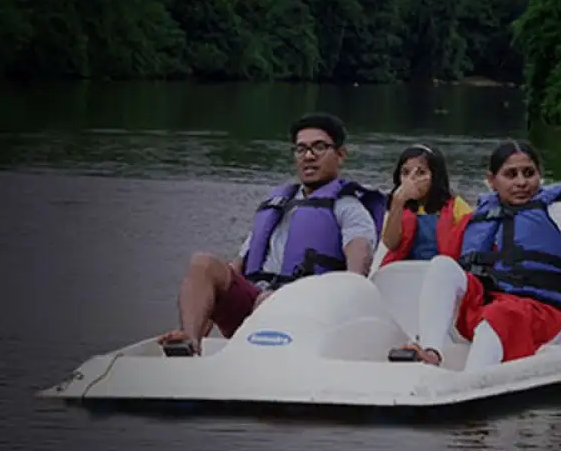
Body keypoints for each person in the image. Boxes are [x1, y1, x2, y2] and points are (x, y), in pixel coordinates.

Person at [156, 113, 387, 356]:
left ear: (340, 155)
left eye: (319, 147)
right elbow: (236, 268)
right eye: (301, 149)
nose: (309, 156)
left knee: (268, 300)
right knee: (203, 264)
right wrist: (208, 316)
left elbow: (356, 273)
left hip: (312, 312)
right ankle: (190, 341)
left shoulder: (349, 208)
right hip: (257, 305)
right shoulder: (277, 204)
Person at [390, 139, 561, 369]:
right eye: (511, 175)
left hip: (545, 317)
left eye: (528, 173)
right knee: (442, 265)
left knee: (497, 316)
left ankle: (471, 386)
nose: (522, 182)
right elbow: (452, 272)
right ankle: (431, 352)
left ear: (540, 175)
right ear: (492, 181)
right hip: (490, 309)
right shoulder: (476, 219)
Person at [377, 144, 473, 268]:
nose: (411, 180)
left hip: (440, 273)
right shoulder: (399, 207)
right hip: (404, 271)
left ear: (435, 176)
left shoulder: (456, 206)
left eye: (421, 173)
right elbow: (391, 243)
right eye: (406, 173)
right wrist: (397, 203)